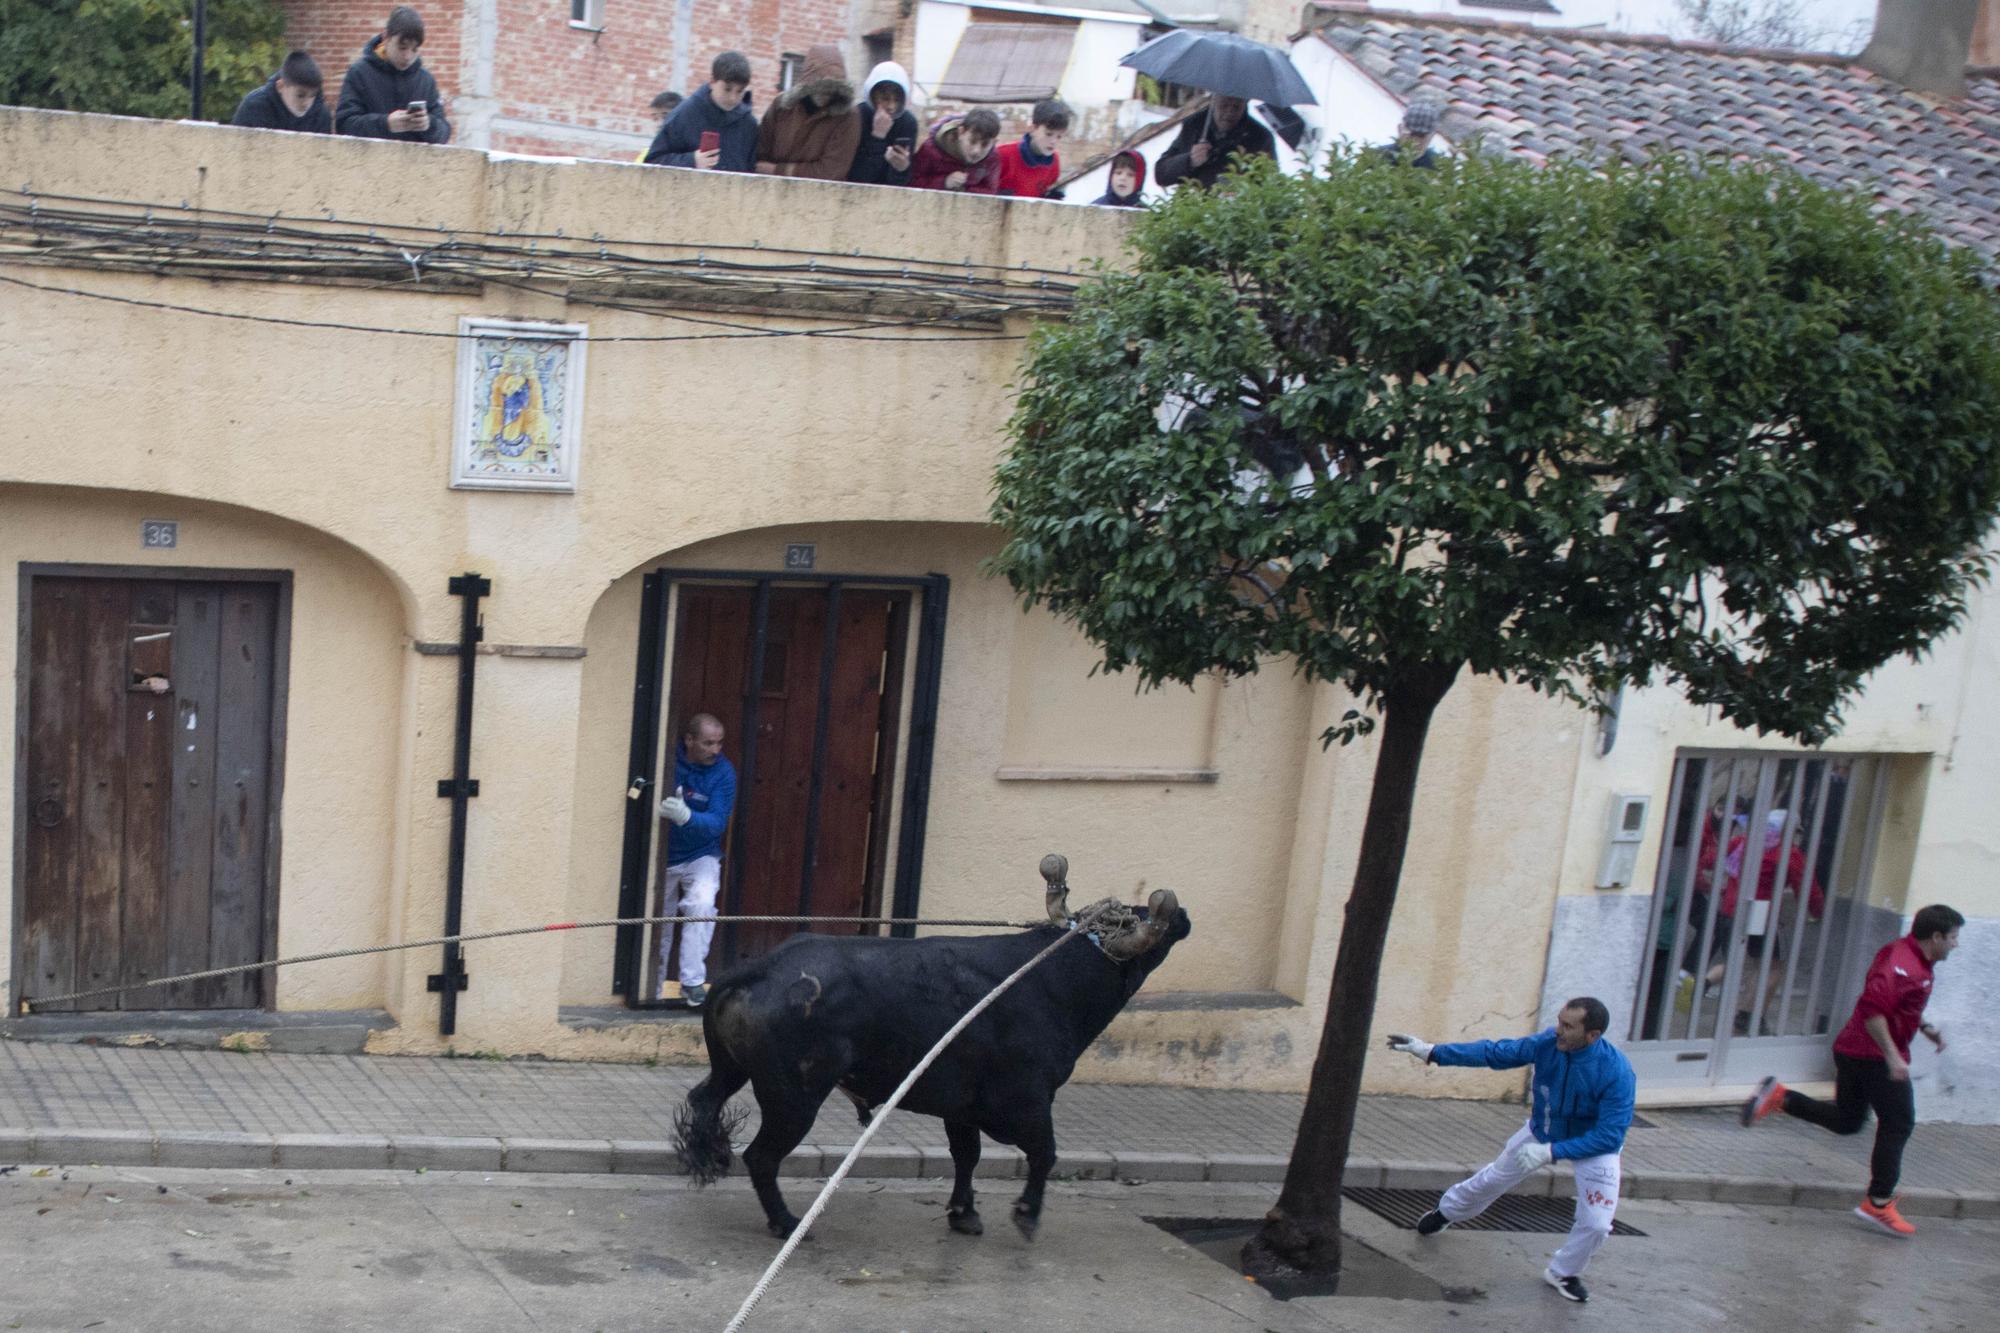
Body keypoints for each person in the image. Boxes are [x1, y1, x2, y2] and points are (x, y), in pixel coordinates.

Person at [1386, 997, 1636, 1304]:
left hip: (1593, 1147)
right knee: (1492, 1180)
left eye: (1568, 1026)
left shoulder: (1617, 1071)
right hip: (1541, 1132)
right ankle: (1446, 1211)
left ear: (1592, 1035)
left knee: (1597, 1223)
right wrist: (1431, 1052)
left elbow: (1609, 1137)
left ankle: (1563, 1272)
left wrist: (1551, 1152)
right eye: (1559, 1021)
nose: (1557, 1030)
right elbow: (1495, 1053)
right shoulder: (1547, 1043)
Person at [1741, 904, 1963, 1237]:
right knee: (1899, 1122)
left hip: (1853, 1050)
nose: (1955, 945)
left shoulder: (1910, 957)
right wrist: (1892, 1057)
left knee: (1848, 1121)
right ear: (1936, 936)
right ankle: (1878, 1202)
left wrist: (1926, 1027)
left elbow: (1900, 1005)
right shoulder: (1902, 965)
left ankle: (1781, 1098)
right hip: (1872, 1056)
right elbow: (1874, 1010)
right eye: (1953, 938)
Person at [657, 713, 738, 1008]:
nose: (715, 750)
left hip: (701, 854)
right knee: (658, 922)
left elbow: (717, 823)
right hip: (661, 856)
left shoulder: (724, 773)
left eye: (719, 743)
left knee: (702, 905)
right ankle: (652, 988)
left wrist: (686, 816)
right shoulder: (665, 759)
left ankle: (691, 983)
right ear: (689, 740)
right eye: (707, 743)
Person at [335, 7, 451, 143]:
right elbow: (344, 125)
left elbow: (444, 133)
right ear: (386, 38)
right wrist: (386, 124)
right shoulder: (359, 72)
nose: (408, 56)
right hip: (368, 162)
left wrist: (428, 125)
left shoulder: (426, 80)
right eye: (402, 47)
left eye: (414, 49)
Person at [754, 44, 860, 181]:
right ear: (808, 84)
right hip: (773, 193)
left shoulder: (848, 116)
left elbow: (830, 172)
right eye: (821, 87)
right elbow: (760, 157)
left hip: (821, 198)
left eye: (832, 89)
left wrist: (776, 170)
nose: (826, 94)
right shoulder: (781, 106)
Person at [644, 51, 757, 172]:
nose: (733, 98)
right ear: (712, 82)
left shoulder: (749, 125)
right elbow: (652, 163)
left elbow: (752, 171)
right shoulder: (683, 115)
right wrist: (692, 161)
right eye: (727, 89)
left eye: (739, 91)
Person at [1153, 94, 1275, 190]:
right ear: (1214, 100)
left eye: (1236, 107)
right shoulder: (1194, 125)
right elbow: (1161, 174)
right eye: (1224, 105)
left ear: (1246, 104)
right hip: (1191, 211)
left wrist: (1242, 186)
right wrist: (1189, 160)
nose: (1229, 112)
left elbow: (1270, 187)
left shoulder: (1261, 137)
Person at [846, 61, 917, 186]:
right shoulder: (858, 115)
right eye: (885, 99)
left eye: (897, 100)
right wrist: (878, 136)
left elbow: (900, 184)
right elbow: (858, 177)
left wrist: (901, 169)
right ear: (873, 96)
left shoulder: (908, 123)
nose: (891, 106)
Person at [231, 50, 332, 134]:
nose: (306, 103)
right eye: (300, 95)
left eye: (313, 95)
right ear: (280, 86)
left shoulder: (321, 116)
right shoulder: (254, 107)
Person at [909, 108, 1002, 194]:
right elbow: (912, 183)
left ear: (994, 142)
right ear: (961, 132)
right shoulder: (931, 149)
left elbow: (990, 191)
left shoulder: (992, 159)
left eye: (985, 144)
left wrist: (965, 191)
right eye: (972, 141)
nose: (976, 151)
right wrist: (944, 182)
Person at [993, 98, 1070, 199]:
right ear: (1033, 129)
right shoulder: (1002, 155)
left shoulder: (1054, 164)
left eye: (1059, 136)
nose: (1053, 141)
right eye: (1048, 134)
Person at [1377, 100, 1441, 167]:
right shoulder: (1377, 156)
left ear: (1433, 135)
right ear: (1399, 129)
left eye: (1421, 135)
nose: (1415, 141)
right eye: (1412, 134)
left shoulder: (1439, 166)